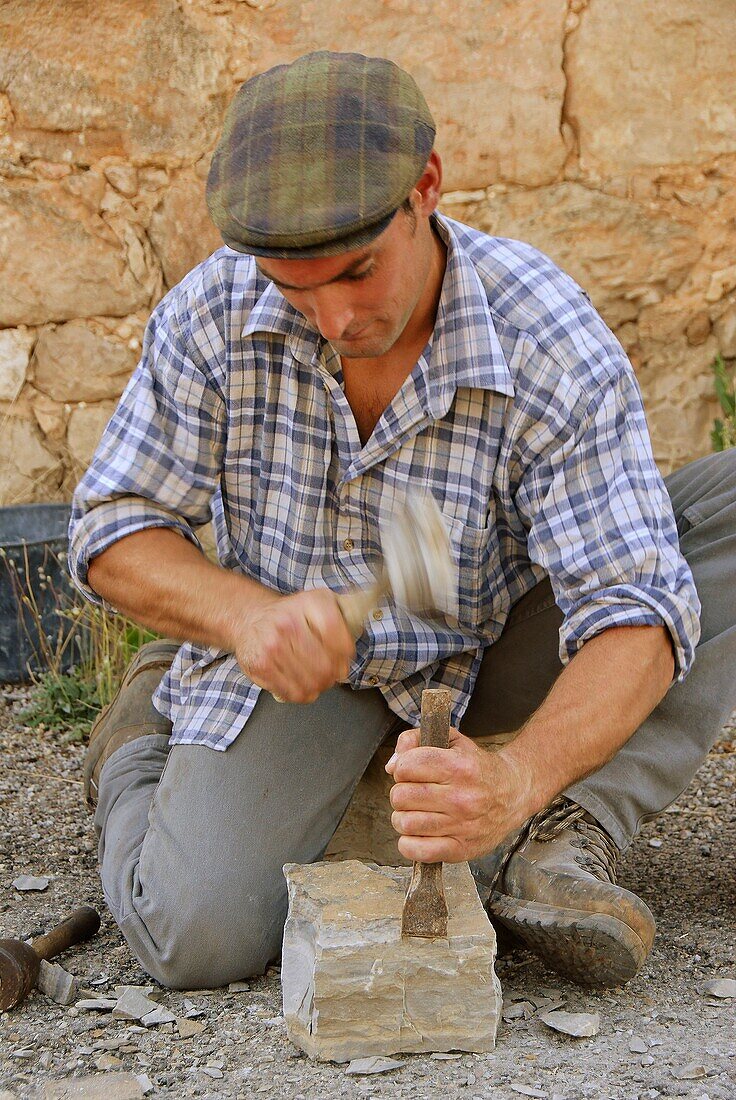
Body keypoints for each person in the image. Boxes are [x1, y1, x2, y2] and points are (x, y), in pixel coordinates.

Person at [69, 51, 735, 991]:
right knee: (192, 938)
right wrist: (242, 617)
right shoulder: (212, 313)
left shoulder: (543, 335)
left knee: (718, 527)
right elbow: (111, 528)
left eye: (358, 272)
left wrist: (516, 780)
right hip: (313, 667)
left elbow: (633, 602)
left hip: (494, 637)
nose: (335, 317)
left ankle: (558, 831)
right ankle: (143, 732)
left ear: (426, 187)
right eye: (296, 287)